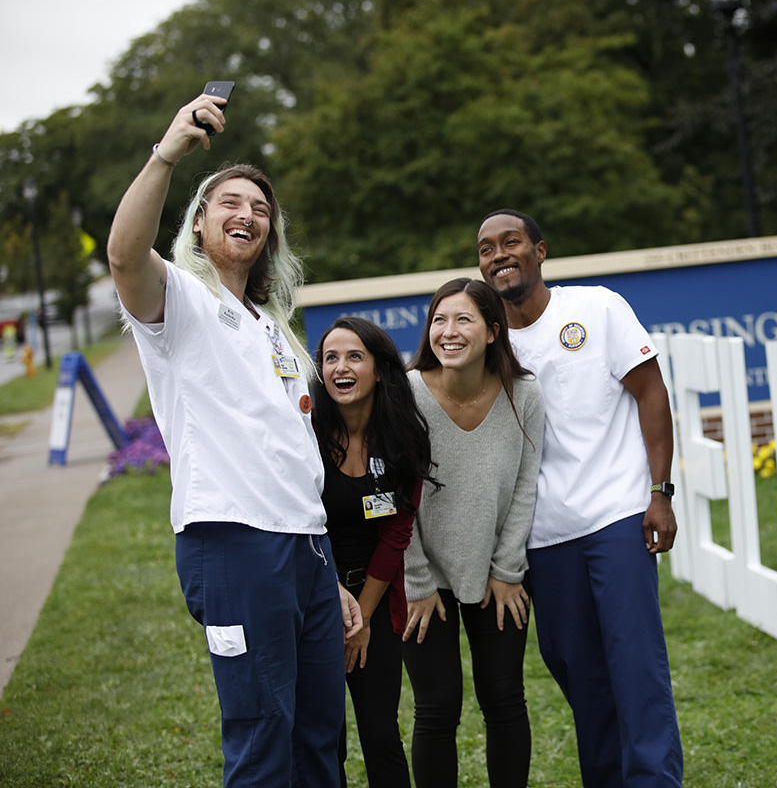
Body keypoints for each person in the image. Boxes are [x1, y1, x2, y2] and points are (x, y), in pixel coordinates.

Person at [107, 92, 362, 787]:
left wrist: (329, 569)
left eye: (259, 206)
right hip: (233, 543)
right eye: (229, 202)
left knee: (318, 738)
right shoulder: (182, 301)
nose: (247, 212)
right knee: (261, 736)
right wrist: (167, 153)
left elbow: (291, 458)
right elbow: (124, 256)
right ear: (198, 222)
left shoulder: (272, 328)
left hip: (304, 551)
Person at [477, 210, 684, 788]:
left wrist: (660, 492)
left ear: (539, 251)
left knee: (635, 668)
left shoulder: (597, 308)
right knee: (577, 671)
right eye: (486, 248)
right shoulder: (488, 339)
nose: (499, 255)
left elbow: (652, 394)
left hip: (616, 516)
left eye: (511, 242)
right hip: (543, 537)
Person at [403, 278, 544, 788]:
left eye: (463, 319)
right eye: (440, 320)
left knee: (505, 699)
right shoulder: (406, 392)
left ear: (492, 331)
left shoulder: (523, 394)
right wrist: (415, 581)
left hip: (497, 574)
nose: (449, 331)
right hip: (423, 580)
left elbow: (527, 483)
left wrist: (508, 570)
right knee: (436, 708)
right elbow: (396, 497)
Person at [313, 317, 438, 788]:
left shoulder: (403, 438)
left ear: (380, 369)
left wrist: (361, 619)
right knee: (326, 738)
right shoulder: (305, 435)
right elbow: (297, 525)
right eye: (330, 357)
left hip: (376, 601)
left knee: (381, 733)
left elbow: (396, 534)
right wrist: (333, 603)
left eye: (354, 356)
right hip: (313, 595)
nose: (340, 367)